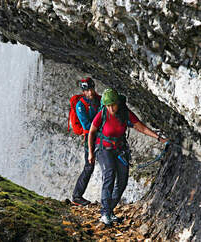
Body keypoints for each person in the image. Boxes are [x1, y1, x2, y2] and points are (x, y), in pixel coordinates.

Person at [87, 88, 168, 225]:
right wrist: (90, 152)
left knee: (123, 181)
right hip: (103, 149)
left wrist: (159, 138)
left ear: (118, 102)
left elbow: (141, 127)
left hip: (120, 150)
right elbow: (91, 133)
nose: (111, 108)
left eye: (113, 104)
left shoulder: (125, 113)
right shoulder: (103, 114)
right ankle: (105, 213)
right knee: (109, 175)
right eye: (108, 105)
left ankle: (109, 210)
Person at [71, 77, 101, 206]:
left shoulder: (99, 100)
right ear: (83, 91)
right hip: (91, 137)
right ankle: (77, 196)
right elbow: (86, 125)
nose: (90, 92)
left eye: (91, 89)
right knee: (89, 167)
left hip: (102, 135)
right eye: (87, 90)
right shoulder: (80, 106)